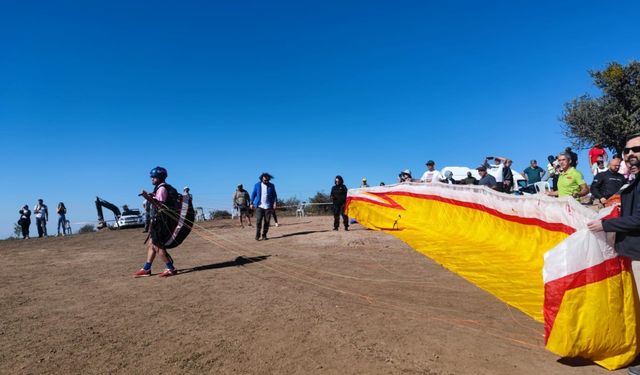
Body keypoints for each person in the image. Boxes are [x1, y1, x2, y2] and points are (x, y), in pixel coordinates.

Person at [587, 134, 640, 375]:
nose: (630, 154)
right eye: (627, 150)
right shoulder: (632, 181)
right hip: (629, 252)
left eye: (636, 149)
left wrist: (606, 226)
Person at [133, 166, 178, 278]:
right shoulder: (160, 188)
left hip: (161, 222)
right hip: (159, 221)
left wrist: (147, 197)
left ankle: (170, 268)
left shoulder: (162, 189)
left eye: (154, 177)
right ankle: (146, 268)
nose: (152, 179)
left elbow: (160, 206)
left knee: (158, 246)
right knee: (151, 245)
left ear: (160, 177)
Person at [250, 173, 277, 241]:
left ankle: (264, 235)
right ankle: (257, 235)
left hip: (268, 206)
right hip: (259, 206)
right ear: (261, 179)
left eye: (267, 180)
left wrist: (274, 203)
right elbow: (253, 194)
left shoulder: (272, 185)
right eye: (264, 180)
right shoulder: (257, 185)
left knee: (267, 222)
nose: (266, 181)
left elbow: (274, 195)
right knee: (259, 220)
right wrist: (251, 203)